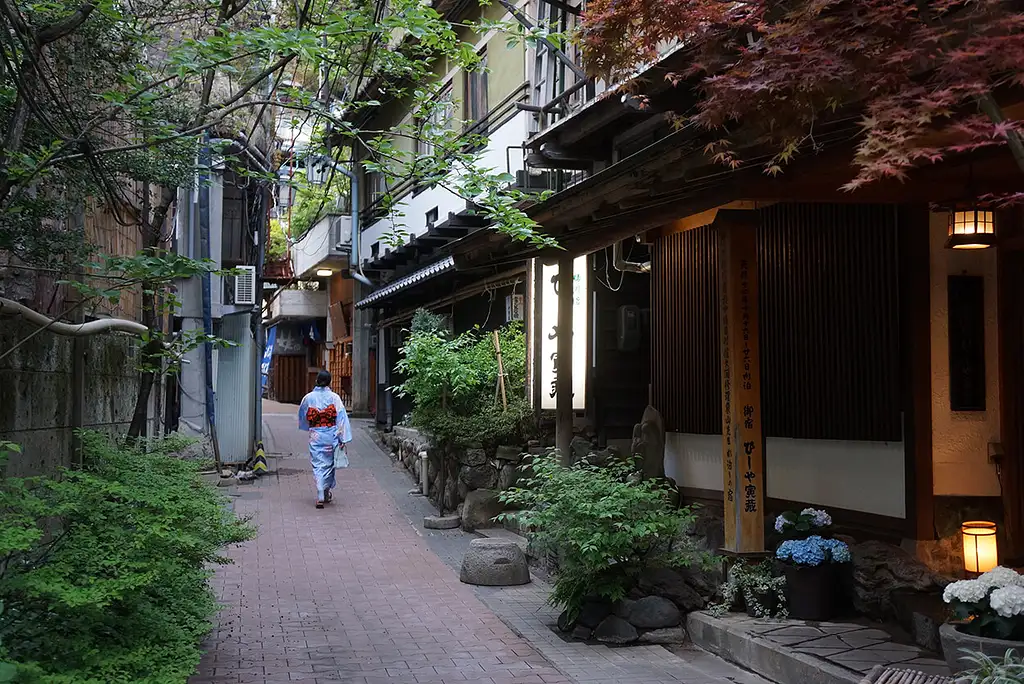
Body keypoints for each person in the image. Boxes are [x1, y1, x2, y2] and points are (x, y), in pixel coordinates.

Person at [298, 370, 352, 508]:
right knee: (328, 463)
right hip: (331, 434)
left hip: (316, 434)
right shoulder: (334, 398)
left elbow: (303, 415)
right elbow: (341, 417)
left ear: (316, 380)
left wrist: (308, 426)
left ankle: (321, 492)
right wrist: (342, 437)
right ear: (330, 382)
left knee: (318, 464)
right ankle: (324, 492)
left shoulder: (308, 398)